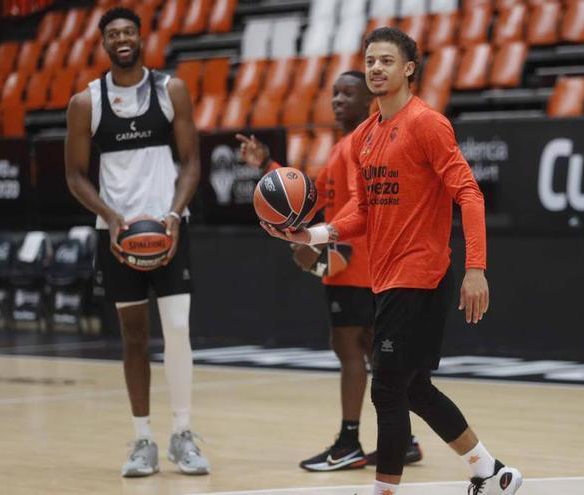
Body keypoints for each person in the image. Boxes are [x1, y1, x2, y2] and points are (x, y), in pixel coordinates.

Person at [261, 28, 522, 495]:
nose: (376, 68)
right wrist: (312, 235)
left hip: (420, 273)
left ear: (408, 69)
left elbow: (469, 193)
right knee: (414, 387)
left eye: (386, 61)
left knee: (385, 389)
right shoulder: (364, 136)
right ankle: (491, 472)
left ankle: (384, 490)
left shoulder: (428, 123)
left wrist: (476, 268)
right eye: (370, 61)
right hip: (387, 278)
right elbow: (362, 209)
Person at [237, 71, 423, 472]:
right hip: (368, 265)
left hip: (354, 264)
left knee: (349, 348)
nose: (338, 99)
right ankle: (404, 439)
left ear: (368, 100)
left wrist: (320, 247)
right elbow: (311, 196)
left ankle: (349, 442)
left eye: (348, 93)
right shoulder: (346, 146)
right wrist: (268, 164)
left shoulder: (359, 147)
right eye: (335, 93)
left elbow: (363, 209)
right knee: (377, 355)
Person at [64, 7, 209, 478]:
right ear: (104, 43)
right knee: (133, 338)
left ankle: (183, 434)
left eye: (128, 31)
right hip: (117, 236)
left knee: (180, 330)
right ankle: (143, 437)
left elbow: (190, 163)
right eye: (113, 34)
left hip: (168, 229)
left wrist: (172, 215)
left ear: (142, 38)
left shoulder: (171, 91)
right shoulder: (86, 103)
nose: (122, 39)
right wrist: (111, 218)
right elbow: (74, 176)